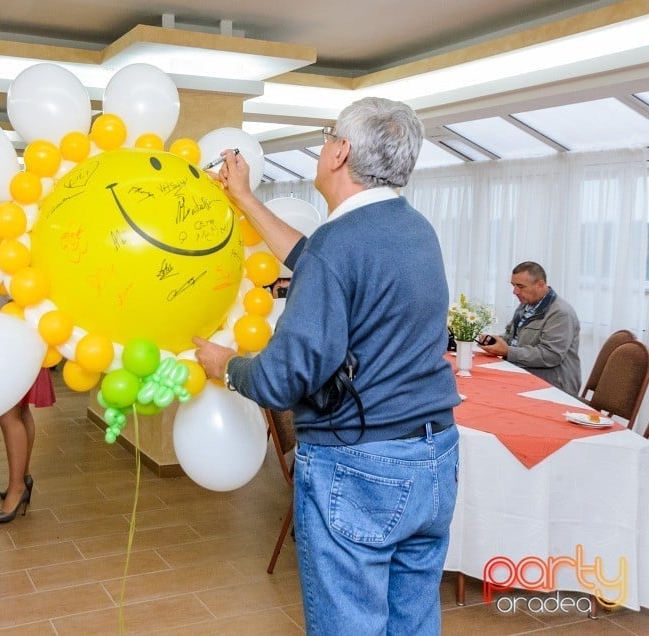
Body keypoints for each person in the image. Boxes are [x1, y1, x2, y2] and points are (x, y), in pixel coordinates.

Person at [194, 97, 459, 634]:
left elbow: (280, 379)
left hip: (362, 464)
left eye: (327, 136)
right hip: (434, 455)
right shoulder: (411, 229)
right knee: (412, 622)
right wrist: (243, 198)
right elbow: (315, 258)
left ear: (340, 152)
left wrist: (225, 364)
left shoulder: (340, 246)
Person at [478, 261, 581, 395]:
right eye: (513, 285)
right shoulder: (527, 304)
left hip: (553, 385)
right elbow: (511, 336)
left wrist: (508, 351)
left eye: (520, 286)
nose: (515, 291)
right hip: (523, 373)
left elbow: (551, 355)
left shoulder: (561, 313)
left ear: (540, 284)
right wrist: (494, 341)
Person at [0, 367, 56, 524]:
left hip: (17, 350)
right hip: (23, 350)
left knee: (6, 414)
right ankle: (21, 477)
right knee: (20, 409)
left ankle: (18, 487)